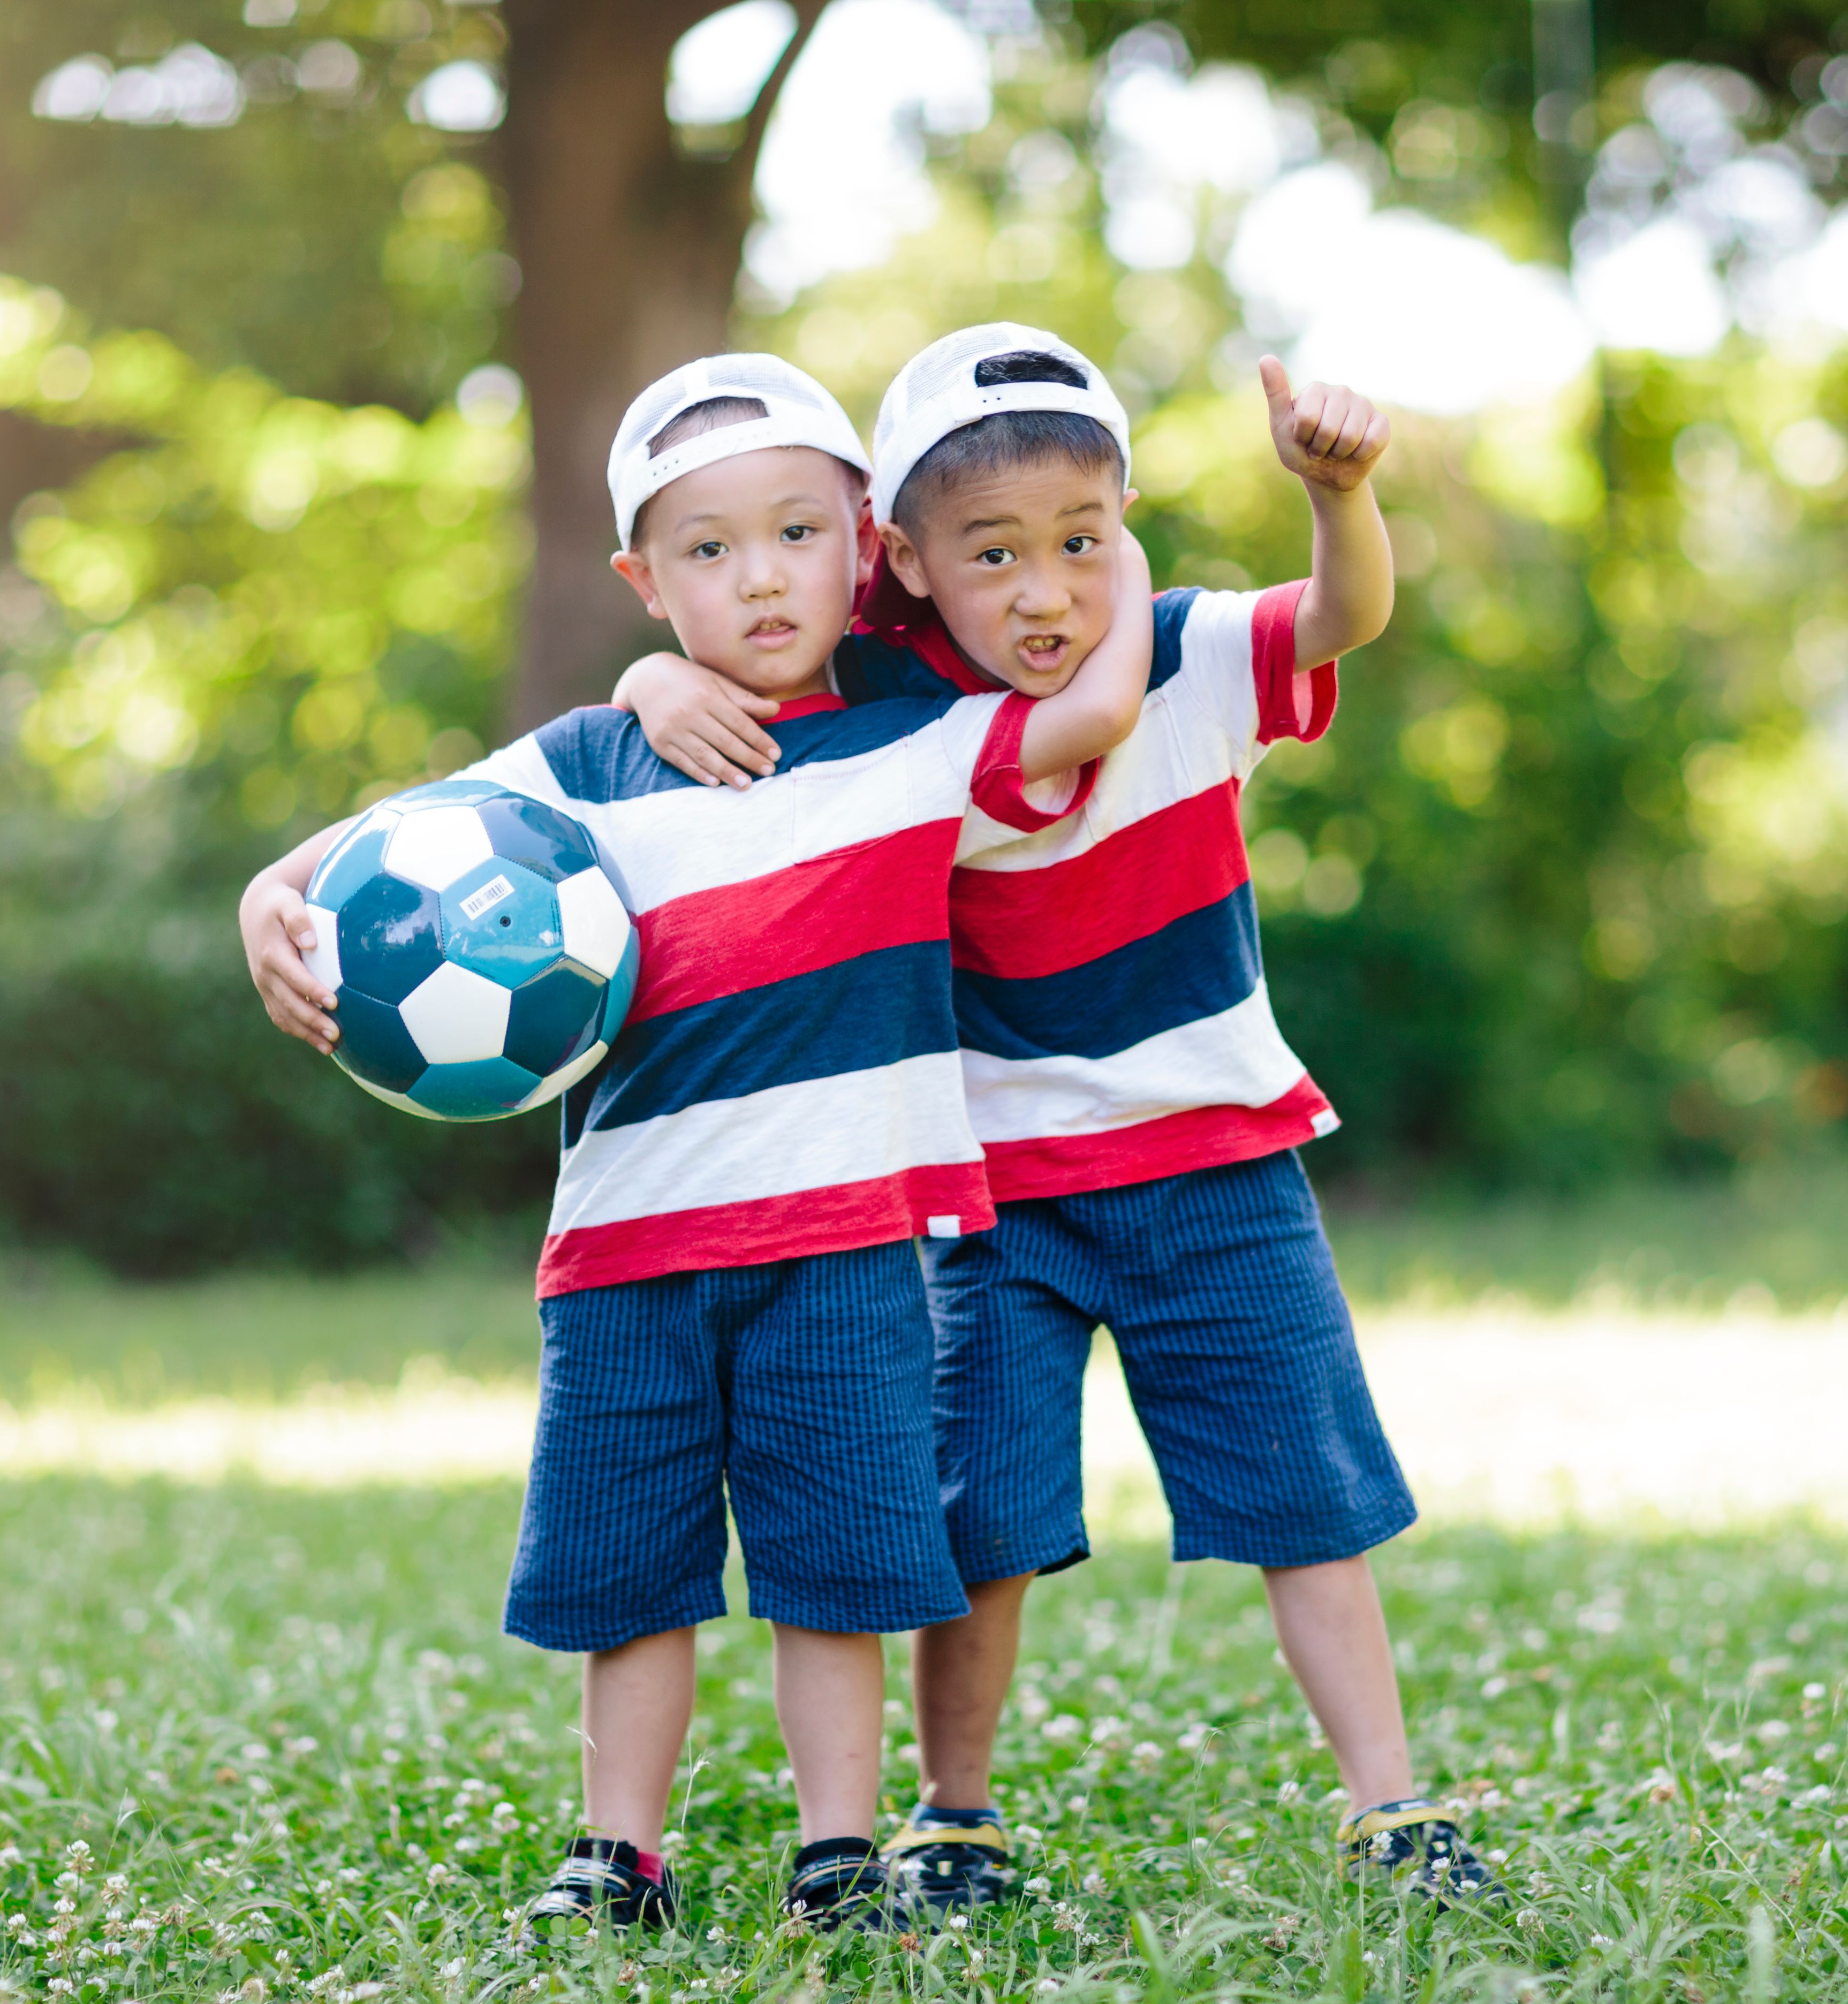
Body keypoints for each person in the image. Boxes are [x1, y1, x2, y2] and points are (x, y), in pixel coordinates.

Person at [239, 352, 1153, 1934]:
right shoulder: (583, 771)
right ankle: (618, 1855)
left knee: (847, 1564)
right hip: (631, 1257)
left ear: (865, 549)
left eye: (797, 534)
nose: (760, 577)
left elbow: (1100, 707)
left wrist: (1120, 555)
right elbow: (380, 847)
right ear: (644, 581)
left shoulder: (918, 743)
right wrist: (271, 892)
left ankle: (840, 1854)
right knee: (630, 1570)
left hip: (852, 1251)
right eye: (709, 550)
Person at [612, 325, 1499, 1904]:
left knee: (1308, 1492)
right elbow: (741, 644)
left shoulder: (1190, 648)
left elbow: (1348, 612)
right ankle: (955, 1813)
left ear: (1127, 520)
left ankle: (1392, 1800)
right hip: (989, 1190)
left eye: (1082, 543)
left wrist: (1337, 495)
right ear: (906, 565)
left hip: (1214, 1162)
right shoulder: (887, 704)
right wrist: (651, 669)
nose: (1046, 592)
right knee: (982, 1515)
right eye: (994, 555)